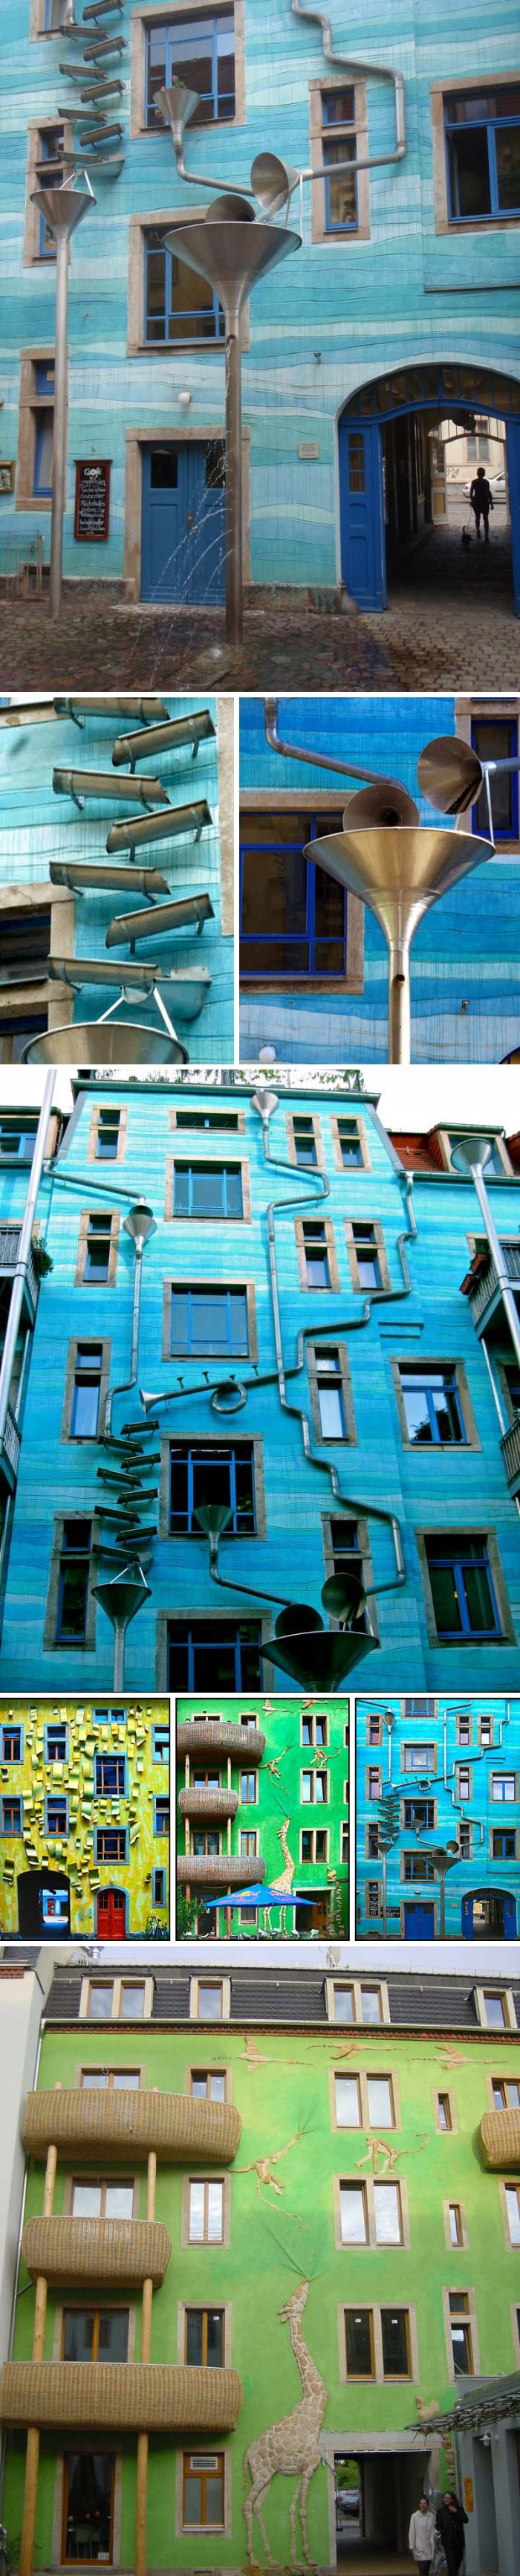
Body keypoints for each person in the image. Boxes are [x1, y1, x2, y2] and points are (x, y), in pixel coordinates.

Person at [435, 2488, 468, 2573]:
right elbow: (438, 2526)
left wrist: (455, 2511)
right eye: (445, 2498)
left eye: (448, 2498)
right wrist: (444, 2532)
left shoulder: (459, 2509)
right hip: (448, 2541)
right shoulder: (441, 2511)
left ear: (452, 2500)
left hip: (458, 2541)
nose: (445, 2500)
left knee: (458, 2560)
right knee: (451, 2564)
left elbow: (465, 2520)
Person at [409, 2494, 436, 2572]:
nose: (423, 2505)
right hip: (419, 2546)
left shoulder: (432, 2516)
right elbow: (412, 2531)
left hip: (429, 2546)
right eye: (421, 2503)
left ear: (427, 2505)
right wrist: (412, 2545)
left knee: (427, 2568)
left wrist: (437, 2534)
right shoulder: (414, 2517)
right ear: (419, 2505)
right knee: (422, 2568)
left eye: (424, 2504)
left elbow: (434, 2528)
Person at [469, 464, 494, 542]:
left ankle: (478, 531)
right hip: (484, 502)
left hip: (477, 502)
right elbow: (488, 493)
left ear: (477, 473)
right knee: (486, 519)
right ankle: (486, 536)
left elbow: (471, 493)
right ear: (483, 474)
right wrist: (491, 503)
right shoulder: (486, 482)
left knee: (477, 517)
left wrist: (472, 501)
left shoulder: (474, 482)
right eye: (484, 472)